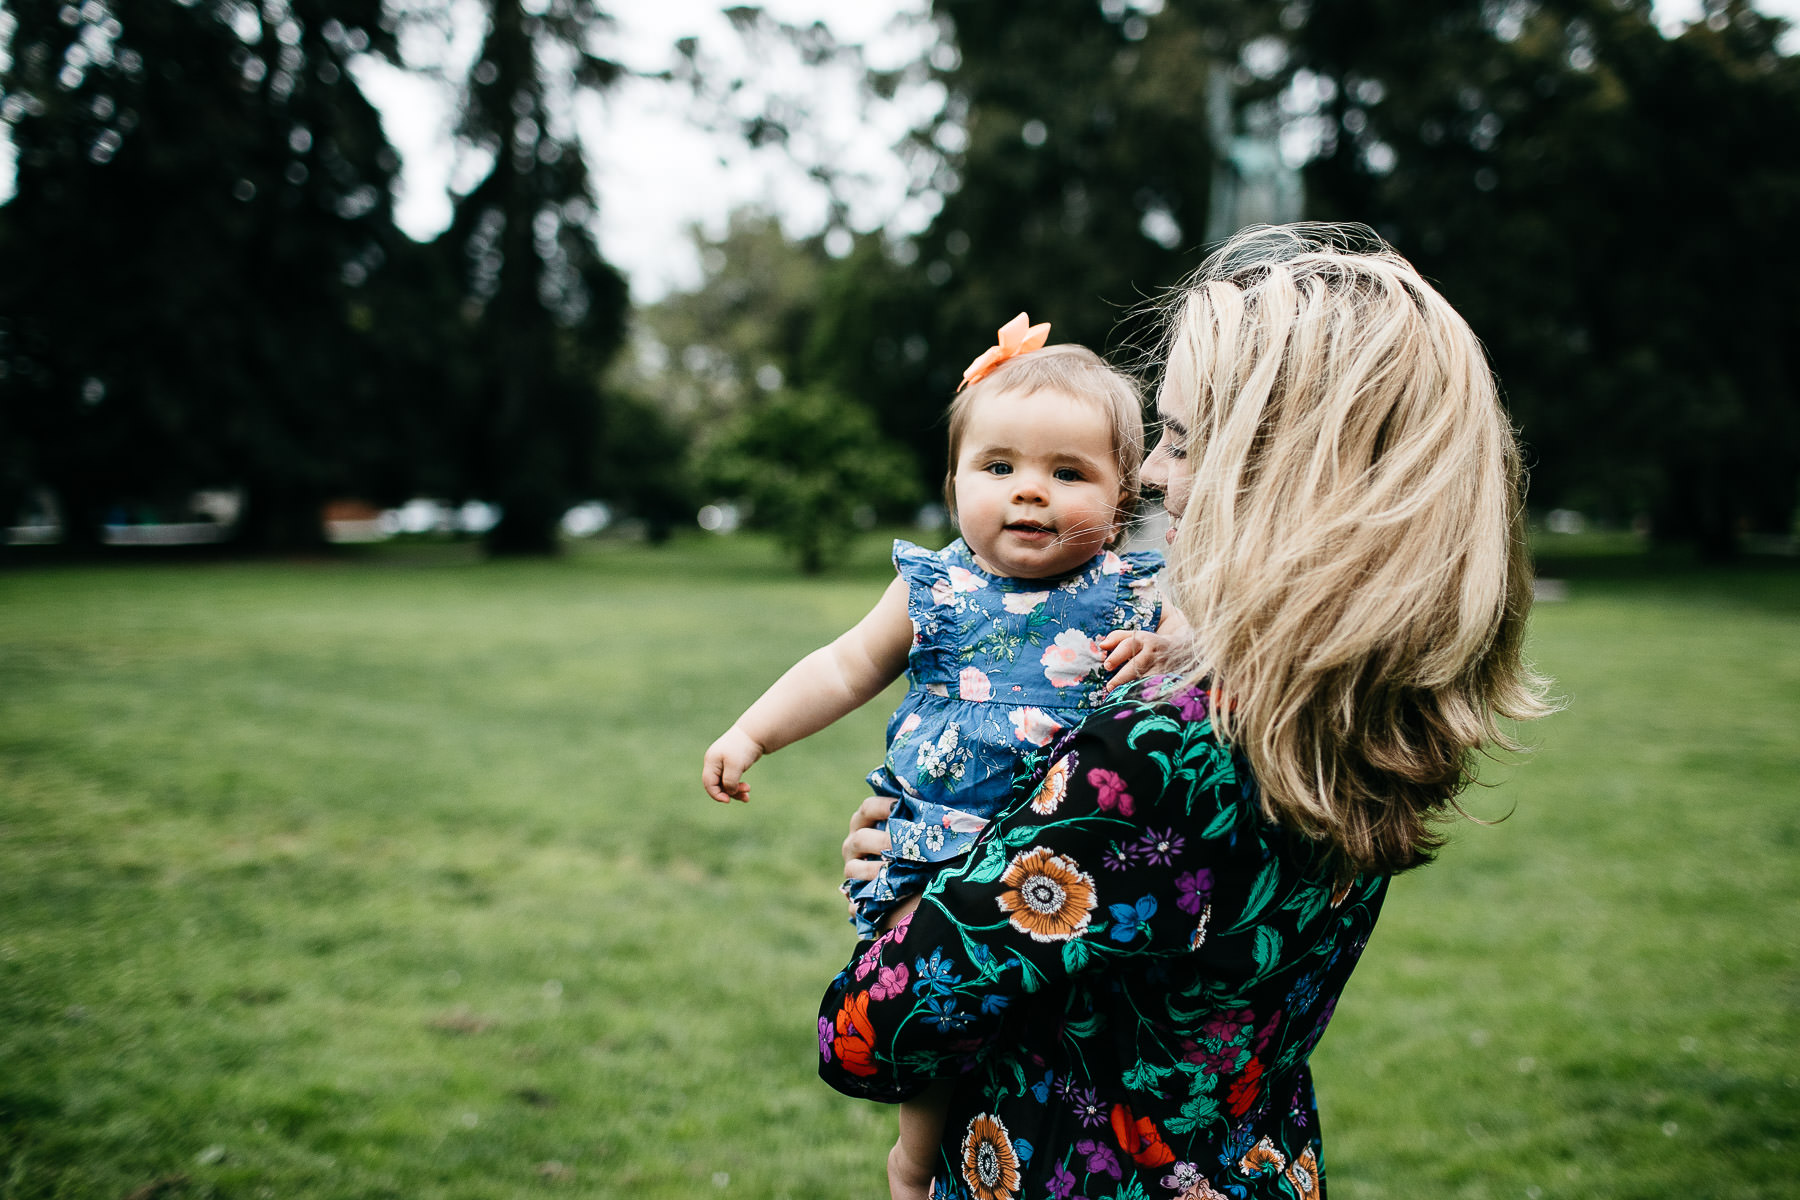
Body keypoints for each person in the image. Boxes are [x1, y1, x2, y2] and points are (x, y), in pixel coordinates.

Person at [820, 224, 1554, 1200]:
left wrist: (909, 887)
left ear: (1285, 474)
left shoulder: (1164, 746)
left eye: (1179, 439)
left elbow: (872, 1031)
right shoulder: (1353, 698)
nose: (1156, 476)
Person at [703, 312, 1184, 1190]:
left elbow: (1220, 632)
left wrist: (1173, 640)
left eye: (1066, 473)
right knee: (930, 1011)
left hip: (1062, 868)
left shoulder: (1138, 594)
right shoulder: (938, 585)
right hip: (932, 851)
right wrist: (751, 732)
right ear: (955, 481)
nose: (1027, 492)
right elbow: (844, 663)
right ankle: (914, 1163)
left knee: (1037, 1027)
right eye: (998, 468)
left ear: (1121, 502)